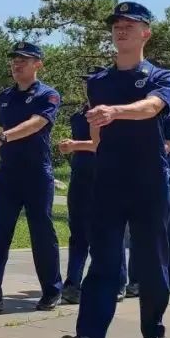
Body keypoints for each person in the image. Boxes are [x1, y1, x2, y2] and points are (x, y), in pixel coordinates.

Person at [60, 1, 170, 338]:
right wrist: (94, 140)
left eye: (130, 24)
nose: (121, 29)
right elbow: (98, 136)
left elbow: (151, 108)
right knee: (104, 260)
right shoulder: (98, 82)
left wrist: (115, 111)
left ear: (146, 33)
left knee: (151, 261)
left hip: (149, 181)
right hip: (109, 180)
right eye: (116, 25)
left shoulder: (161, 76)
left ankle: (153, 333)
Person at [0, 42, 64, 313]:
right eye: (14, 60)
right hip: (8, 174)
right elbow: (3, 129)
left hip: (37, 174)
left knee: (42, 233)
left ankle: (52, 290)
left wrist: (4, 136)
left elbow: (36, 123)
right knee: (0, 234)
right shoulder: (5, 96)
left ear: (38, 64)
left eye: (24, 60)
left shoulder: (48, 95)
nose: (17, 65)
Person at [57, 66, 116, 305]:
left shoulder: (112, 112)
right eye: (85, 82)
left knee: (106, 233)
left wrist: (74, 145)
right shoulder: (80, 114)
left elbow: (101, 145)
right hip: (81, 175)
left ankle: (115, 281)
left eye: (93, 82)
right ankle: (73, 283)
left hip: (105, 177)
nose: (88, 86)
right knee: (78, 231)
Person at [124, 108, 170, 296]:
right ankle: (136, 279)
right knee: (137, 229)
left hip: (166, 178)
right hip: (139, 177)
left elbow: (166, 146)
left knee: (168, 227)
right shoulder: (137, 115)